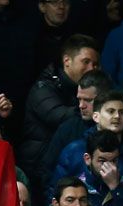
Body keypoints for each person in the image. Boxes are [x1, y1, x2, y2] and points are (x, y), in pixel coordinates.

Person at [20, 34, 100, 182]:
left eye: (95, 64)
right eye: (86, 62)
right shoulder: (42, 88)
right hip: (38, 169)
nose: (91, 68)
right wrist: (98, 106)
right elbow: (58, 116)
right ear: (67, 61)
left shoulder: (78, 88)